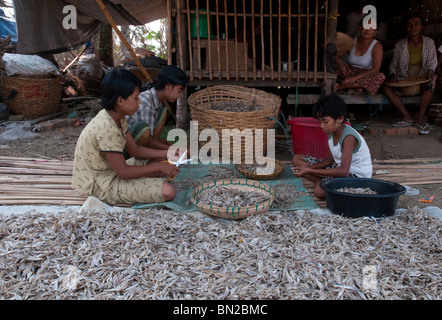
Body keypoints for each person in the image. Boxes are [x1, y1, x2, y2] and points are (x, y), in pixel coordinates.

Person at [71, 68, 180, 206]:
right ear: (120, 100)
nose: (139, 102)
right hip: (101, 184)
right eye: (135, 98)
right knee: (168, 191)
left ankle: (142, 182)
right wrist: (159, 167)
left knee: (162, 159)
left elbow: (135, 150)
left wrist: (168, 153)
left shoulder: (118, 117)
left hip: (111, 171)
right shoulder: (107, 128)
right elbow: (123, 172)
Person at [291, 94, 372, 200]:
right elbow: (329, 160)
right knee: (297, 159)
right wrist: (309, 167)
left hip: (355, 176)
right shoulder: (332, 132)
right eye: (320, 122)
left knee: (320, 192)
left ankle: (319, 180)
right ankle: (318, 180)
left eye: (325, 122)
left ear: (340, 118)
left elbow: (343, 171)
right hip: (337, 167)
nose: (322, 126)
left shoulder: (348, 137)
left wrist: (311, 171)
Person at [382, 13, 437, 134]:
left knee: (430, 83)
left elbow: (432, 62)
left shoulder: (429, 43)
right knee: (386, 87)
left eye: (417, 24)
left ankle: (421, 117)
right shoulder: (400, 45)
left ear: (422, 27)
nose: (413, 27)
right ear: (406, 28)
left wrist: (430, 71)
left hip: (422, 75)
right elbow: (394, 65)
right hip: (406, 77)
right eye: (410, 25)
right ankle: (407, 116)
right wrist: (393, 75)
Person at [126, 65, 188, 155]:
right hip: (129, 147)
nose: (179, 96)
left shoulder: (157, 102)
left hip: (144, 140)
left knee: (163, 113)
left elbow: (151, 139)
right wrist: (173, 150)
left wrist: (172, 146)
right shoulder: (145, 103)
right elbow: (147, 141)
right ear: (168, 86)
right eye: (179, 91)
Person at [334, 22, 386, 95]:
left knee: (381, 77)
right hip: (349, 73)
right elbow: (336, 56)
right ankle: (358, 86)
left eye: (371, 28)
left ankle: (342, 86)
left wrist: (355, 78)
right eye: (366, 26)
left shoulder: (377, 46)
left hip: (366, 76)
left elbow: (376, 69)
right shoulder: (352, 41)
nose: (368, 29)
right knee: (334, 60)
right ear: (360, 27)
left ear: (375, 32)